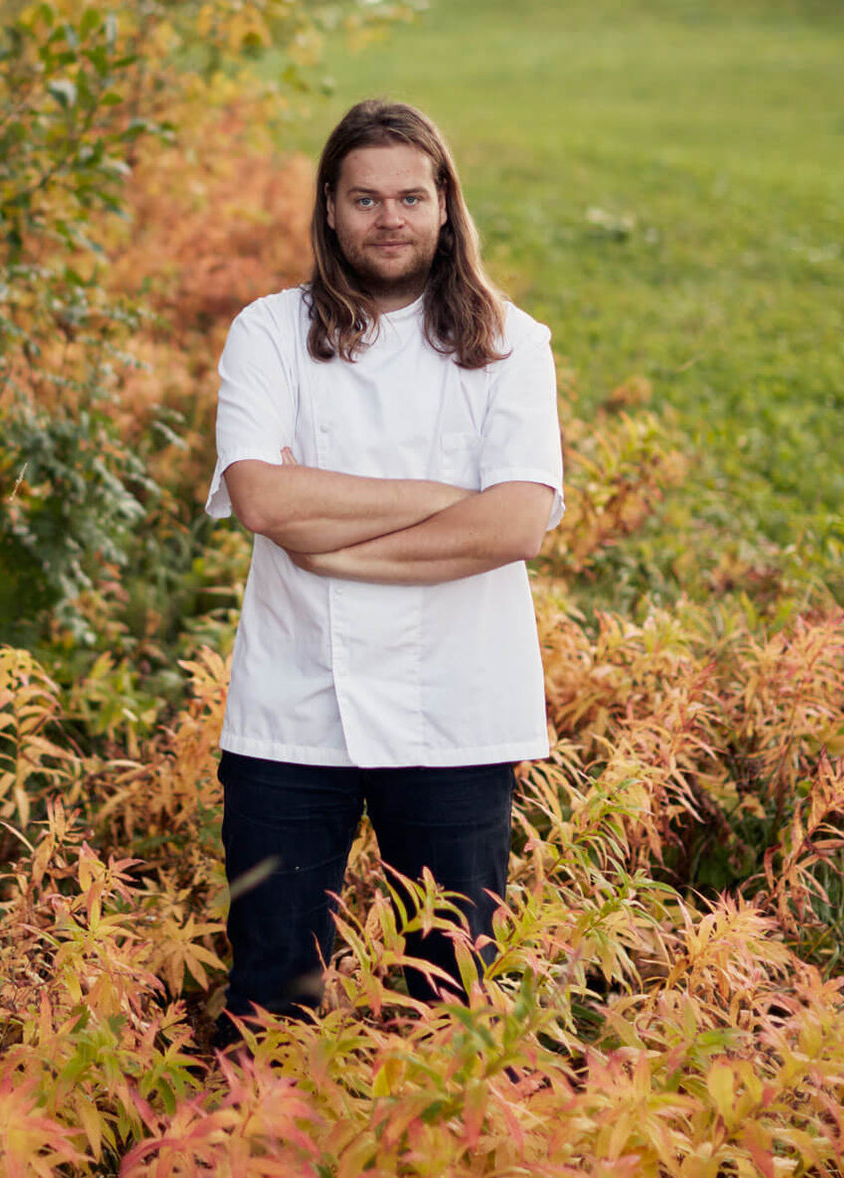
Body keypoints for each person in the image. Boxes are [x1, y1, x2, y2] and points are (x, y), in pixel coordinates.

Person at [203, 99, 565, 1046]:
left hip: (456, 713)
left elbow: (518, 522)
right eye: (365, 199)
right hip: (291, 712)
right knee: (271, 991)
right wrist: (445, 499)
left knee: (449, 998)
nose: (389, 218)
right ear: (329, 208)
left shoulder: (513, 344)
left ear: (446, 205)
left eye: (410, 197)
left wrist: (335, 544)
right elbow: (262, 500)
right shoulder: (269, 332)